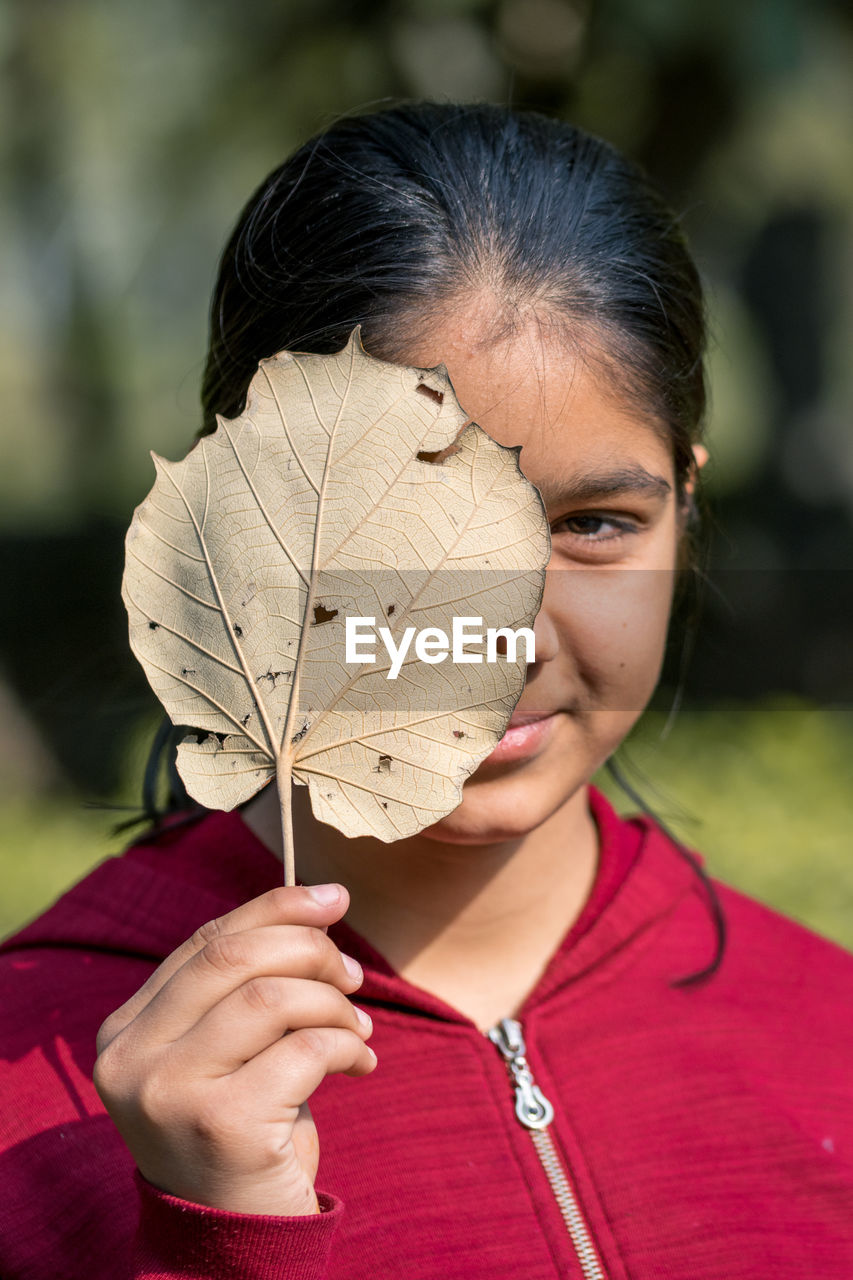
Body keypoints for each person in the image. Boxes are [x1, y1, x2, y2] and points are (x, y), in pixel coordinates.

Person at [1, 101, 851, 1280]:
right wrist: (220, 1239)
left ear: (684, 501)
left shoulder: (824, 1036)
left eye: (596, 525)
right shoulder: (33, 1093)